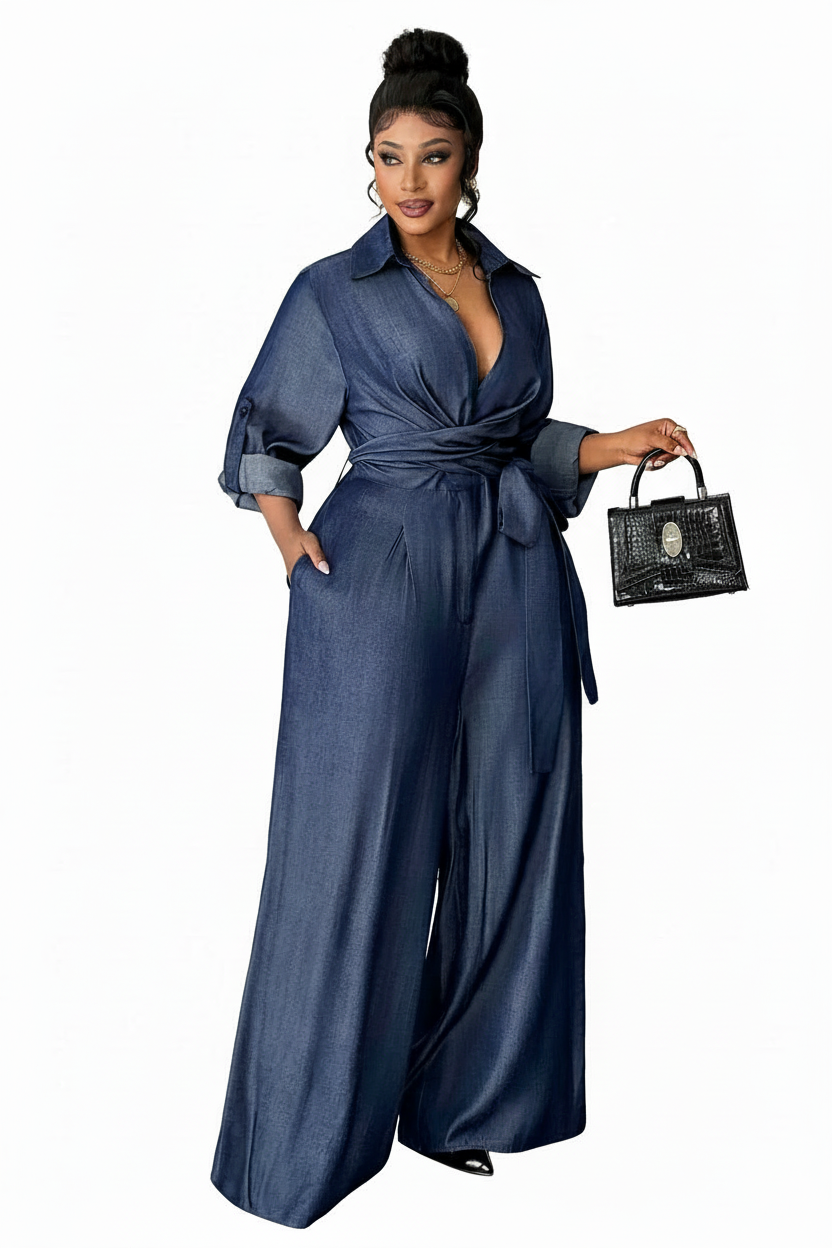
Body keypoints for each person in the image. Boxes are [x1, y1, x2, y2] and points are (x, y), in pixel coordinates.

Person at [210, 27, 697, 1232]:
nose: (410, 180)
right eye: (389, 157)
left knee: (514, 829)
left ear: (468, 161)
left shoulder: (515, 288)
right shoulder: (333, 290)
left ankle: (462, 1102)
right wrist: (287, 538)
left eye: (432, 156)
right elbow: (269, 428)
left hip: (515, 572)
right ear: (367, 164)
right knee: (355, 840)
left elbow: (516, 440)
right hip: (378, 573)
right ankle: (302, 1140)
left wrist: (616, 445)